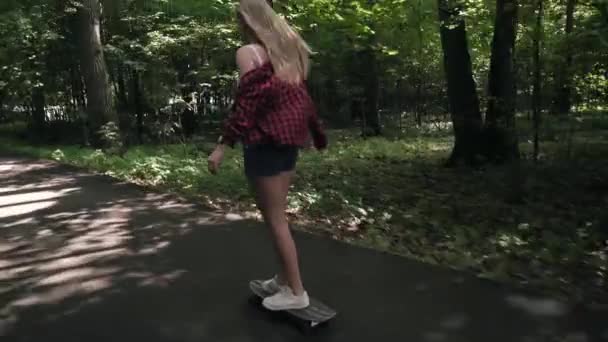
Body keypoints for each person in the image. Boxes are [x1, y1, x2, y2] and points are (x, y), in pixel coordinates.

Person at [207, 0, 327, 311]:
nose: (237, 23)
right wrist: (314, 134)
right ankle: (283, 279)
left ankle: (296, 292)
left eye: (238, 17)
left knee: (275, 220)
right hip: (288, 143)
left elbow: (247, 106)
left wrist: (223, 145)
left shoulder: (249, 53)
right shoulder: (287, 53)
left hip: (264, 144)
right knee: (277, 216)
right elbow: (302, 101)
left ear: (248, 19)